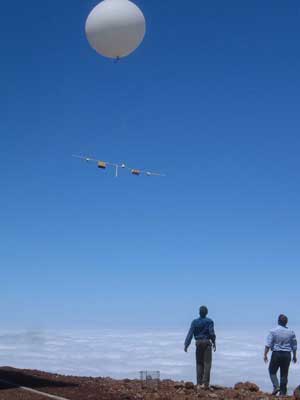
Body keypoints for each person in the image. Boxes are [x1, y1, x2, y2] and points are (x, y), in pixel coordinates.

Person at [264, 314, 297, 396]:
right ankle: (282, 393)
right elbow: (294, 345)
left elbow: (268, 344)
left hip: (277, 354)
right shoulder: (291, 332)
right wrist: (294, 356)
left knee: (272, 371)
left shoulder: (273, 331)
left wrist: (265, 354)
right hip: (287, 355)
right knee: (284, 374)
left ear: (278, 321)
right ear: (286, 322)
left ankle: (276, 386)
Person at [184, 306, 216, 389]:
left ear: (199, 312)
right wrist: (214, 342)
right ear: (206, 313)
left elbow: (190, 334)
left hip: (198, 344)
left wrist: (186, 345)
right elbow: (211, 333)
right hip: (206, 344)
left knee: (199, 364)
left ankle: (199, 384)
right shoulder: (209, 321)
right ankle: (205, 385)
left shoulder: (194, 322)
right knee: (207, 364)